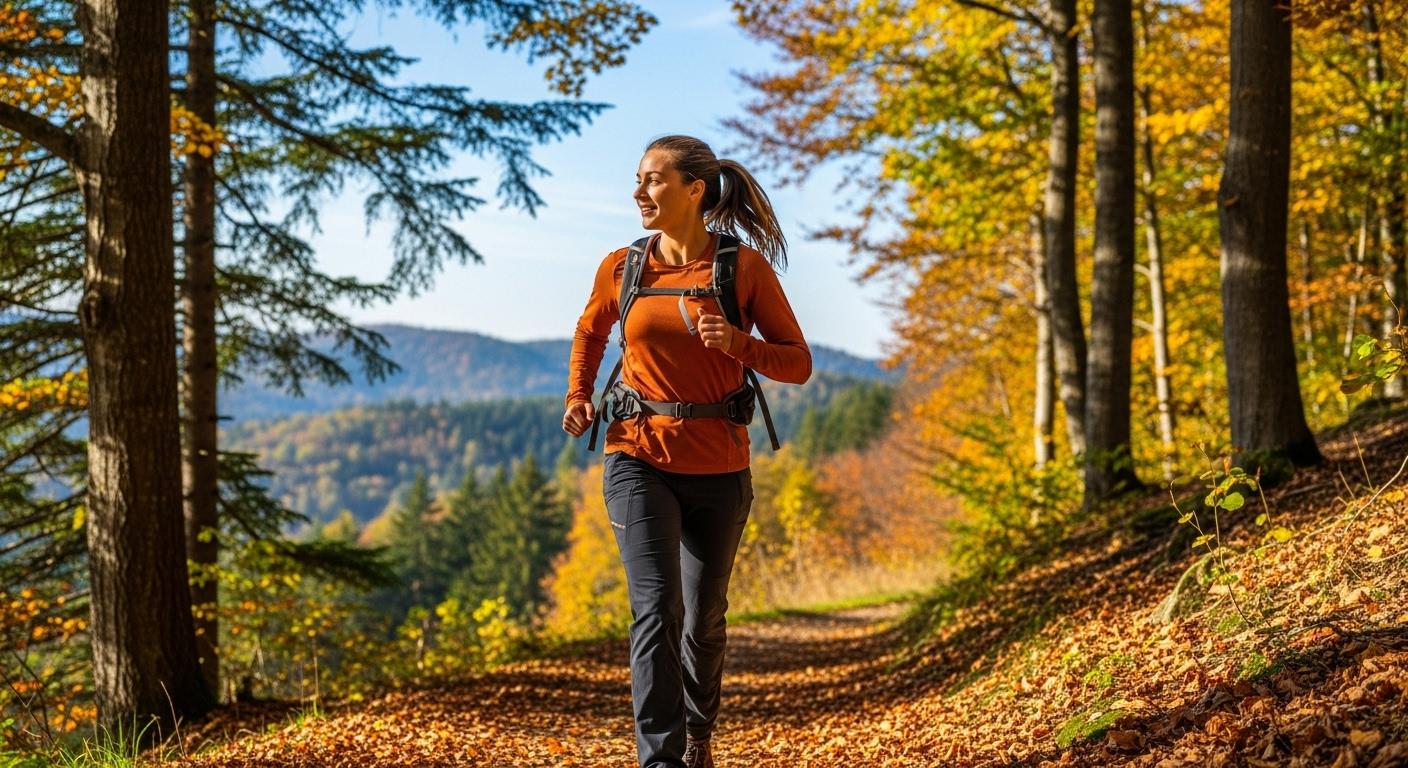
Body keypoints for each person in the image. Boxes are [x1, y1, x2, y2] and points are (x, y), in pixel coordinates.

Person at [562, 134, 812, 768]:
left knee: (703, 619)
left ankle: (700, 729)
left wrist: (737, 343)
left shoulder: (741, 268)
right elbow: (592, 330)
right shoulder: (622, 266)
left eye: (653, 179)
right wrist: (578, 395)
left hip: (720, 465)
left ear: (693, 189)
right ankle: (661, 759)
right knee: (656, 610)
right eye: (638, 179)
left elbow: (798, 364)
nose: (639, 191)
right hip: (635, 455)